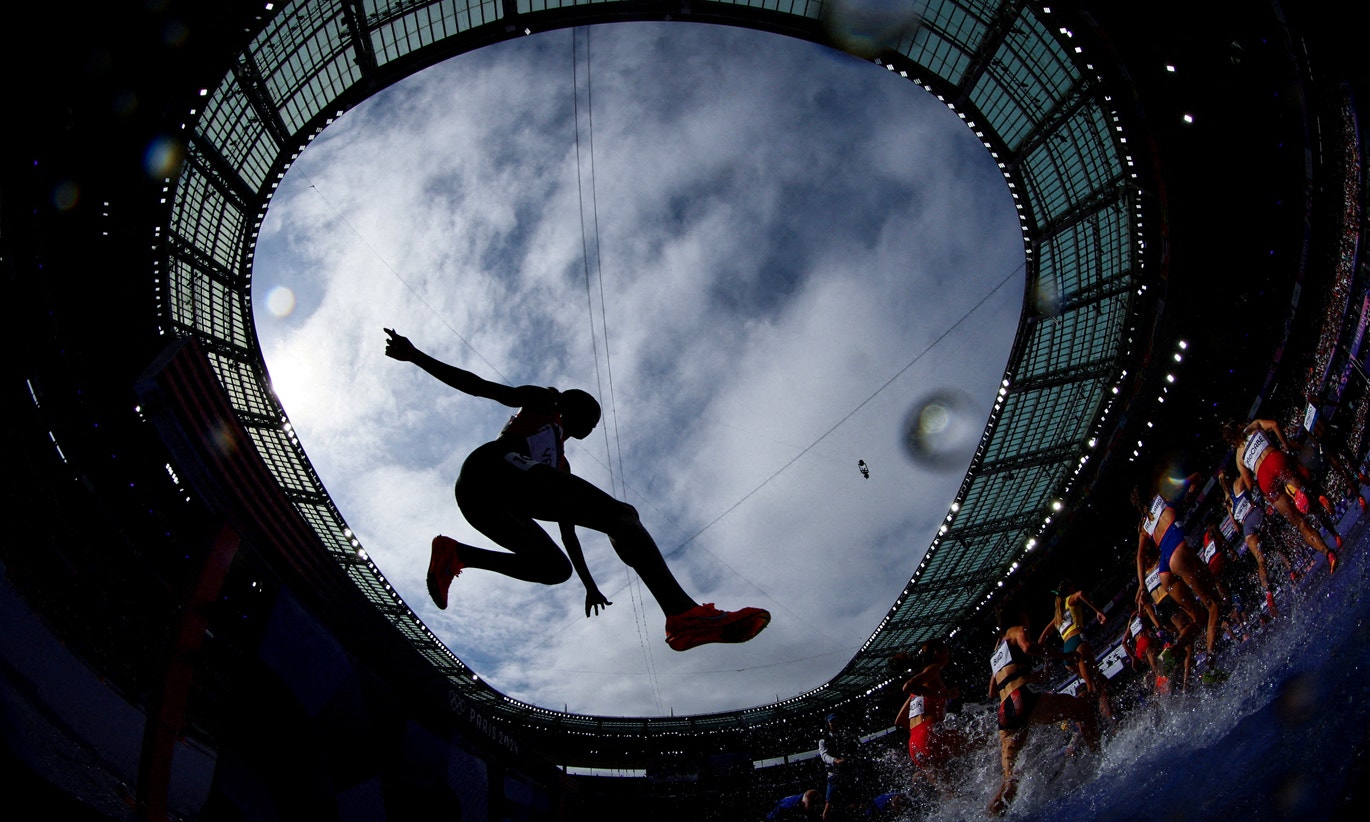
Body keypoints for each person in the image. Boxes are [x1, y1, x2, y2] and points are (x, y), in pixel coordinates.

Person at [383, 329, 770, 651]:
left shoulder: (558, 466)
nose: (594, 428)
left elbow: (569, 529)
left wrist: (589, 584)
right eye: (594, 419)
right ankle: (683, 615)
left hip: (491, 504)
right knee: (621, 514)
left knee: (554, 569)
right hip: (489, 470)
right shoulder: (545, 403)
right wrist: (416, 356)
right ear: (576, 409)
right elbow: (482, 387)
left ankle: (458, 553)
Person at [986, 603, 1099, 816]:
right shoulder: (1017, 630)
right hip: (1020, 698)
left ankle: (991, 816)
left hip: (1004, 712)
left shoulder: (997, 648)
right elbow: (1028, 647)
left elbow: (993, 689)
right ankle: (1100, 760)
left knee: (1010, 782)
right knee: (1083, 710)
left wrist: (1037, 676)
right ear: (1019, 615)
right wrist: (1063, 656)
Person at [1225, 418, 1339, 573]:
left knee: (1299, 523)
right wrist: (1285, 446)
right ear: (1239, 425)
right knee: (1308, 494)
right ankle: (1332, 528)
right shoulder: (1254, 426)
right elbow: (1275, 424)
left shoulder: (1239, 457)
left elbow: (1250, 485)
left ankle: (1328, 553)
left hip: (1264, 478)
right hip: (1275, 459)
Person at [1133, 485, 1225, 656]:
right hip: (1178, 551)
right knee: (1214, 606)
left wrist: (1142, 585)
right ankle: (1212, 663)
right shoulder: (1163, 497)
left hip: (1164, 570)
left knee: (1199, 617)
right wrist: (1187, 497)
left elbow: (1139, 556)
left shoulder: (1144, 525)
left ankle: (1172, 652)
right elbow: (1194, 481)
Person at [892, 641, 971, 795]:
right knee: (984, 742)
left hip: (915, 745)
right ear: (936, 654)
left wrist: (921, 735)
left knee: (951, 794)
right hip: (929, 735)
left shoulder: (915, 695)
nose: (949, 655)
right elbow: (908, 685)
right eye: (946, 651)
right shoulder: (933, 669)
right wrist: (945, 694)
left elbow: (899, 721)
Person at [1037, 579, 1113, 720]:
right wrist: (1099, 611)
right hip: (1078, 642)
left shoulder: (1057, 618)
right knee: (1092, 689)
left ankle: (1109, 716)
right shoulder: (1069, 600)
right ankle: (1074, 710)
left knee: (1100, 682)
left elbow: (1040, 641)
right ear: (1069, 589)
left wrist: (1046, 658)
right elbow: (1081, 593)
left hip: (1068, 654)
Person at [1216, 466, 1278, 617]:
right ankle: (1292, 570)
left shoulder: (1228, 502)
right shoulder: (1238, 482)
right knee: (1277, 543)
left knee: (1260, 561)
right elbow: (1252, 484)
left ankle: (1268, 592)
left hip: (1247, 528)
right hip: (1255, 513)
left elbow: (1236, 527)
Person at [818, 712, 867, 821]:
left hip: (848, 774)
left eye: (836, 721)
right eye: (832, 722)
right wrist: (836, 761)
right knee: (828, 806)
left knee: (856, 802)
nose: (835, 724)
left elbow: (858, 750)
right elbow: (824, 756)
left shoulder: (847, 736)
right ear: (828, 724)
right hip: (834, 776)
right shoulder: (823, 740)